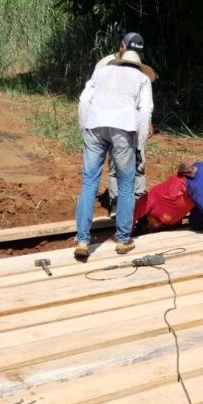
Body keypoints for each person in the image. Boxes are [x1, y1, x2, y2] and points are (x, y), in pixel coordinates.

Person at [74, 48, 154, 260]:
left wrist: (84, 129)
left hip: (94, 125)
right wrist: (140, 143)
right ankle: (123, 239)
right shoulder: (142, 78)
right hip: (123, 128)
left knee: (89, 182)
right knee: (126, 183)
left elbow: (84, 101)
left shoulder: (101, 71)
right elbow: (145, 112)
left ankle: (82, 240)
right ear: (138, 66)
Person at [94, 31, 155, 211]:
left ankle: (137, 207)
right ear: (122, 47)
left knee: (139, 163)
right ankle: (117, 204)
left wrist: (147, 121)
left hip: (136, 123)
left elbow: (144, 100)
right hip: (115, 122)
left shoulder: (137, 66)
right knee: (116, 165)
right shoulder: (105, 65)